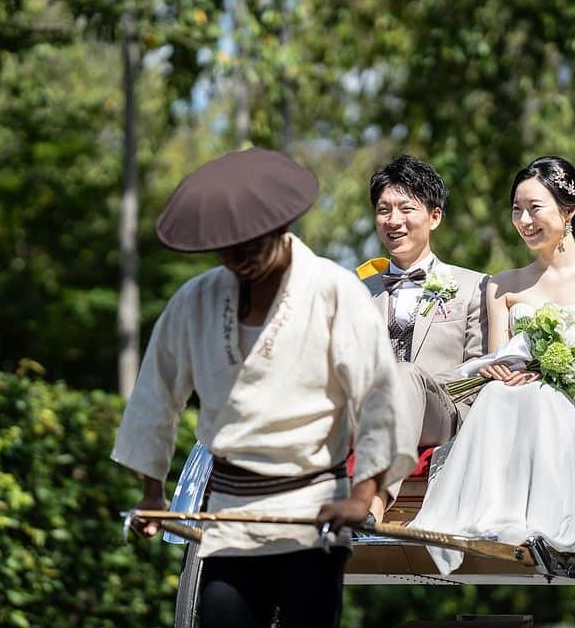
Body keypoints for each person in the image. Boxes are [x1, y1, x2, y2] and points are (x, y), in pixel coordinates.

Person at [111, 148, 417, 628]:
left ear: (279, 228)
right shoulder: (195, 300)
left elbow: (378, 398)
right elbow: (156, 395)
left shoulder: (334, 290)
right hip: (231, 512)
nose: (237, 260)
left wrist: (362, 496)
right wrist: (153, 492)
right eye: (225, 251)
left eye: (248, 246)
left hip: (313, 512)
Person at [408, 155, 575, 575]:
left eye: (535, 208)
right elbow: (499, 355)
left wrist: (549, 371)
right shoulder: (503, 284)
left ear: (567, 211)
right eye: (517, 209)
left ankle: (539, 521)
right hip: (512, 395)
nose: (524, 220)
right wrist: (499, 370)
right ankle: (488, 516)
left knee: (540, 398)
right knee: (498, 394)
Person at [359, 155, 489, 519]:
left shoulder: (474, 287)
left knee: (403, 375)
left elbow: (480, 371)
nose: (393, 220)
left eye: (406, 208)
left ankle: (374, 501)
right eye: (384, 210)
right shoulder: (356, 291)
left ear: (434, 216)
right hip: (368, 411)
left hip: (444, 414)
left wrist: (411, 385)